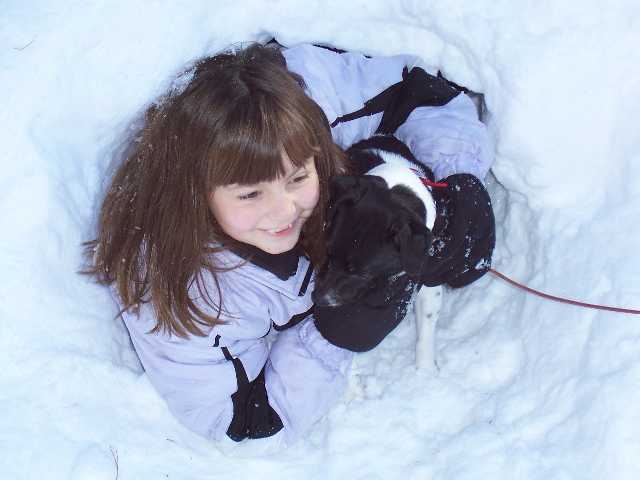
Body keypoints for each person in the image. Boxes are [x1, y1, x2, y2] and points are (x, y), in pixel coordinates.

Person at [83, 41, 494, 445]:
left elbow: (422, 94)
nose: (284, 212)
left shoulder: (293, 110)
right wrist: (331, 337)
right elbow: (243, 423)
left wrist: (457, 181)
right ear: (195, 193)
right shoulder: (181, 294)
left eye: (299, 178)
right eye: (249, 194)